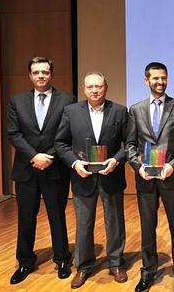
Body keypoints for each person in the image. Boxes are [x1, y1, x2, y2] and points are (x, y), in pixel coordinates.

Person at [54, 72, 128, 288]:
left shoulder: (119, 111)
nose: (95, 90)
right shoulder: (71, 111)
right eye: (90, 87)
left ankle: (116, 262)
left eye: (99, 86)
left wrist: (115, 160)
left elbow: (130, 142)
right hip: (82, 177)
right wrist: (75, 164)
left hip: (111, 176)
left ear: (106, 87)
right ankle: (84, 266)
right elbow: (61, 143)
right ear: (84, 89)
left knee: (114, 223)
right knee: (84, 224)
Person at [7, 56, 75, 284]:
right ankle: (25, 262)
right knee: (26, 217)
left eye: (45, 72)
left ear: (51, 74)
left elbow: (67, 134)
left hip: (55, 168)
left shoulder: (67, 99)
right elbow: (14, 134)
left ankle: (63, 259)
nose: (41, 76)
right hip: (26, 168)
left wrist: (51, 157)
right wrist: (34, 156)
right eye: (36, 72)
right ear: (30, 75)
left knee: (57, 216)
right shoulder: (17, 101)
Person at [125, 62, 174, 292]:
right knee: (147, 226)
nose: (160, 82)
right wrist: (138, 166)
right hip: (145, 178)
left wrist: (173, 165)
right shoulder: (135, 110)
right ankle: (148, 272)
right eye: (155, 78)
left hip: (171, 177)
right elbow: (130, 145)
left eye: (163, 78)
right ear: (146, 80)